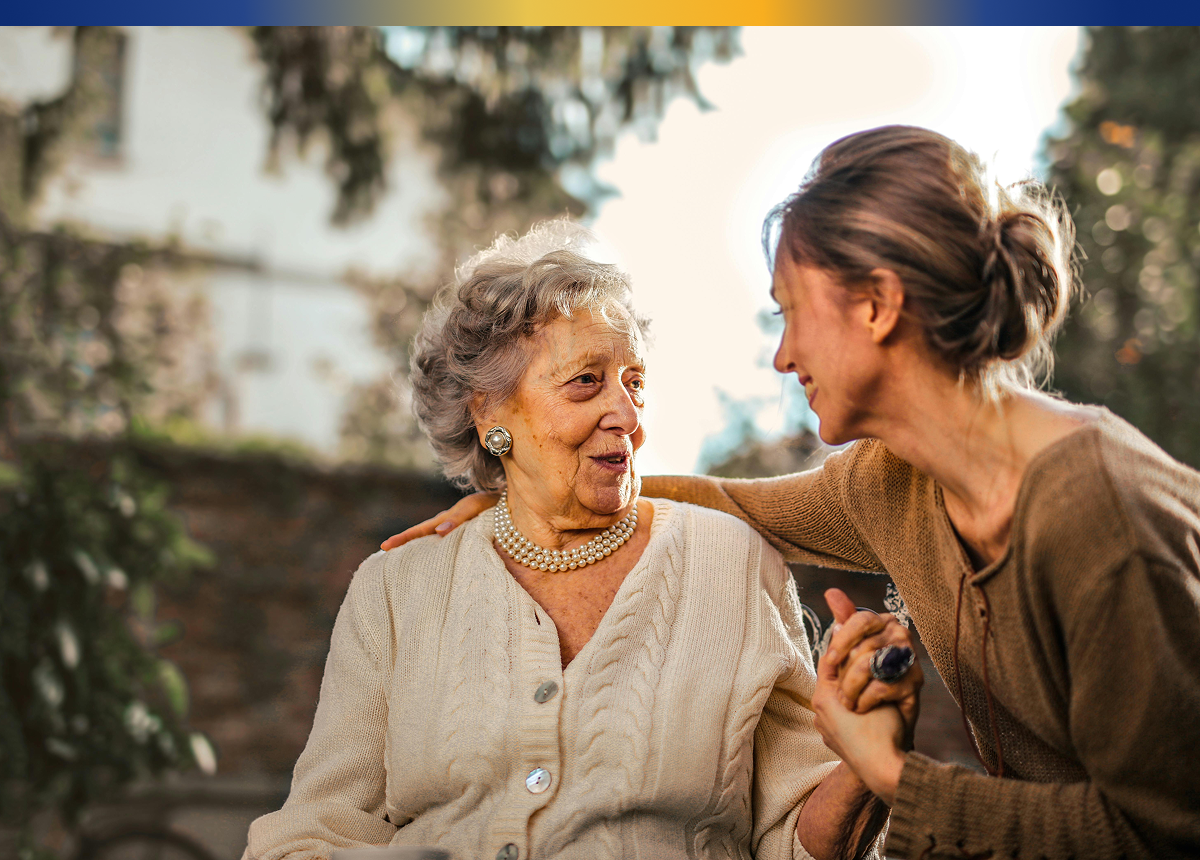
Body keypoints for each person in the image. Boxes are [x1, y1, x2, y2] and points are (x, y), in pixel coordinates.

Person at [384, 127, 1200, 860]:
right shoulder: (891, 482)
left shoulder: (1099, 516)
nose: (782, 356)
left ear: (877, 306)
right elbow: (732, 503)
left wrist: (889, 772)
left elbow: (1164, 830)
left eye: (792, 312)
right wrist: (531, 496)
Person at [244, 221, 922, 860]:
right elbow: (314, 831)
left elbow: (796, 842)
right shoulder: (396, 589)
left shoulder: (732, 563)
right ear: (489, 411)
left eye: (636, 383)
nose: (627, 416)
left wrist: (866, 764)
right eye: (586, 382)